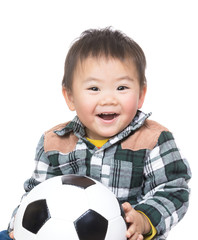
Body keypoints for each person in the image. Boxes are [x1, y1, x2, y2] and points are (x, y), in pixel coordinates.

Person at [0, 27, 191, 240]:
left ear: (141, 95)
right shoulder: (54, 143)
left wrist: (144, 220)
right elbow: (35, 195)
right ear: (70, 96)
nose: (108, 99)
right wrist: (18, 225)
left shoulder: (154, 140)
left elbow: (174, 191)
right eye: (94, 89)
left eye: (121, 88)